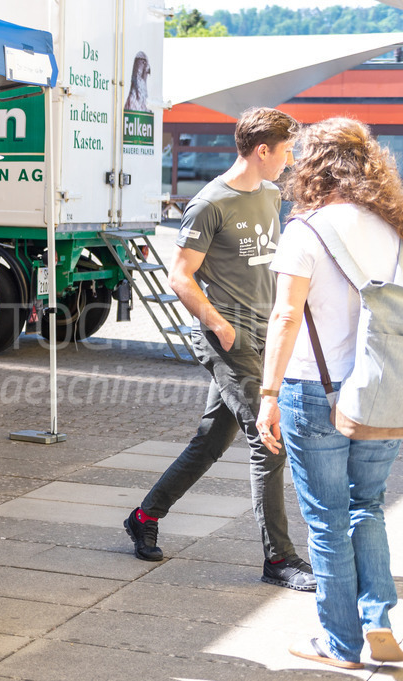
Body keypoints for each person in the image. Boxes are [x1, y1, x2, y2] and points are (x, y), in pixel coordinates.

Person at [123, 107, 316, 592]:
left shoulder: (271, 194)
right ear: (261, 150)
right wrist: (218, 325)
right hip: (227, 339)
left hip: (264, 335)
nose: (289, 162)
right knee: (267, 439)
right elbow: (180, 275)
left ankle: (144, 515)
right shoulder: (211, 203)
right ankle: (280, 559)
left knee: (211, 440)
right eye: (286, 151)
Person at [256, 118, 403, 669]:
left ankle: (339, 643)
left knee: (326, 518)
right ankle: (377, 620)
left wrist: (267, 394)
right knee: (366, 505)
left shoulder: (305, 230)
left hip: (311, 389)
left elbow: (286, 314)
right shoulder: (393, 228)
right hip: (380, 387)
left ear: (313, 165)